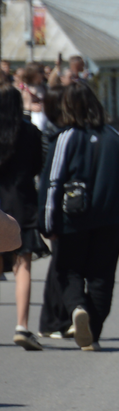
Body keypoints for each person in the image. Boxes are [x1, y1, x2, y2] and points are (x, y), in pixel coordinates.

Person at [39, 82, 119, 351]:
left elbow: (52, 182)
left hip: (71, 221)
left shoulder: (65, 138)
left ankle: (77, 308)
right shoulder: (113, 137)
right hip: (109, 222)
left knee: (68, 271)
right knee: (102, 278)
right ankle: (93, 335)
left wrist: (47, 223)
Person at [0, 85, 47, 350]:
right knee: (23, 267)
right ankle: (22, 326)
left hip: (0, 204)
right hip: (24, 203)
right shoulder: (31, 131)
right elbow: (39, 165)